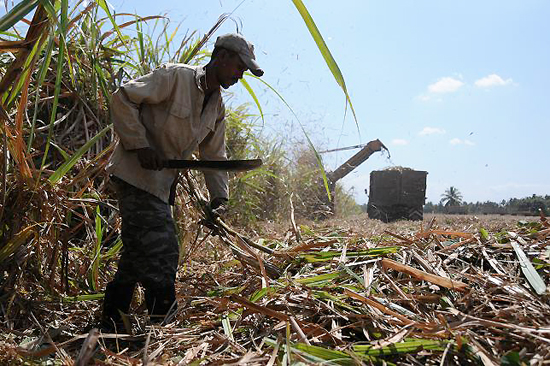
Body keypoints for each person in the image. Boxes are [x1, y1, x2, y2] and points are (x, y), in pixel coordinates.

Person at [101, 33, 264, 330]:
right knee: (163, 249)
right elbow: (123, 96)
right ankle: (163, 323)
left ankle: (111, 319)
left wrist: (219, 200)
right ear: (222, 57)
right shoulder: (175, 77)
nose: (241, 76)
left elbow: (214, 155)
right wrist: (139, 145)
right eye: (239, 67)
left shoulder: (216, 106)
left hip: (161, 186)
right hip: (135, 175)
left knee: (138, 253)